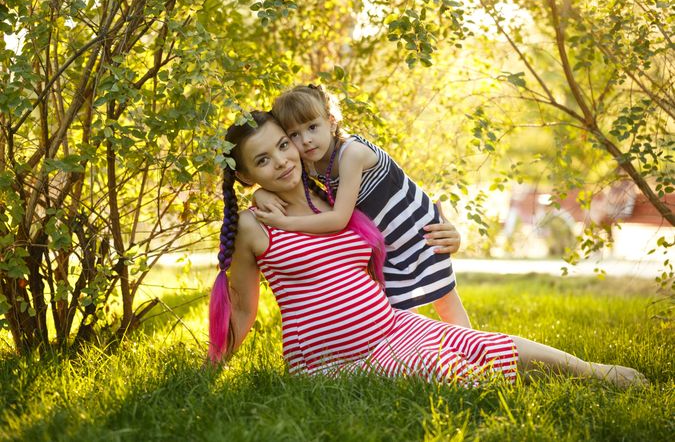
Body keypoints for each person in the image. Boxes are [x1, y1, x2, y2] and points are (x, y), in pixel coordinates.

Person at [208, 110, 646, 389]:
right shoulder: (255, 223)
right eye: (262, 160)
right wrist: (213, 368)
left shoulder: (335, 194)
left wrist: (449, 231)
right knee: (452, 372)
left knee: (481, 343)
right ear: (247, 178)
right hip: (332, 361)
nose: (283, 160)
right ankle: (516, 386)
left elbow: (406, 208)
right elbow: (245, 310)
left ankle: (594, 372)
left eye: (284, 144)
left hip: (391, 328)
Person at [252, 84, 471, 327]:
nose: (306, 140)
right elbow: (282, 179)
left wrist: (285, 223)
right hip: (387, 241)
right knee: (402, 309)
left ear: (332, 121)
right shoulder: (311, 161)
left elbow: (338, 219)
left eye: (312, 127)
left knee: (444, 298)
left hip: (417, 230)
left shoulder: (352, 154)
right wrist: (260, 193)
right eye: (294, 134)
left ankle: (474, 350)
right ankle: (421, 354)